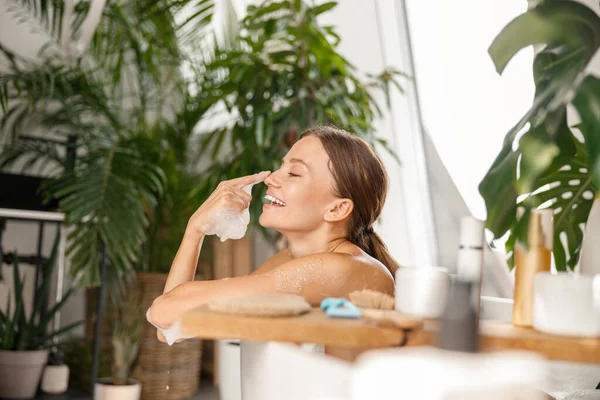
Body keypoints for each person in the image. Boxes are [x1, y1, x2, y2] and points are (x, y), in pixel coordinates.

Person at [147, 126, 400, 343]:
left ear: (337, 208)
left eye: (293, 173)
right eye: (281, 166)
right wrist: (195, 230)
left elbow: (164, 311)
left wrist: (195, 231)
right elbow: (170, 327)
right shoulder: (290, 261)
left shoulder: (340, 268)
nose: (270, 178)